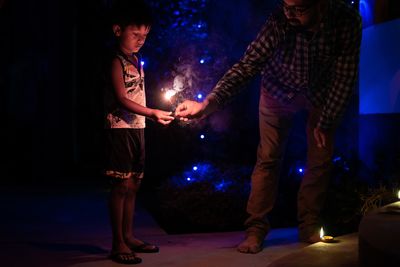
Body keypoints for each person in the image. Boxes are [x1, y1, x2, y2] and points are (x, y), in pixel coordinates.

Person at [175, 0, 362, 254]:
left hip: (320, 94)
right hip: (276, 91)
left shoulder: (346, 20)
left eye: (300, 8)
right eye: (287, 7)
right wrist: (208, 103)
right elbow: (247, 66)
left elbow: (344, 75)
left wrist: (327, 120)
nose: (291, 14)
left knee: (321, 156)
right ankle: (255, 230)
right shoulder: (279, 21)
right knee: (268, 158)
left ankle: (309, 226)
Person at [103, 0, 174, 264]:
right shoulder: (115, 61)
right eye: (136, 35)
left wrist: (150, 116)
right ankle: (117, 242)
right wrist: (153, 112)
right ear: (118, 30)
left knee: (134, 184)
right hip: (120, 129)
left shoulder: (137, 59)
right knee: (121, 185)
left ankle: (130, 236)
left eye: (145, 36)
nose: (141, 40)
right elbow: (122, 98)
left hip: (138, 128)